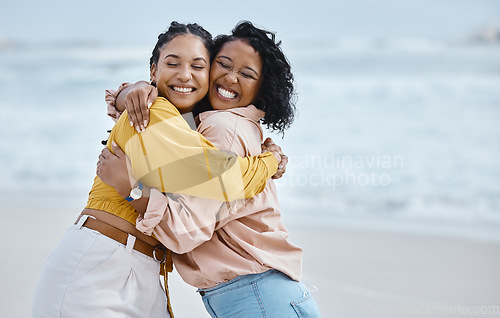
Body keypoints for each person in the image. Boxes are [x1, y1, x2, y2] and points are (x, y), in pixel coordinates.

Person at [31, 22, 284, 318]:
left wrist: (126, 93)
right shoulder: (154, 112)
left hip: (145, 269)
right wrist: (271, 162)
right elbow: (225, 178)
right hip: (98, 263)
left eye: (197, 66)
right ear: (154, 71)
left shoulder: (186, 125)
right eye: (172, 63)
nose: (184, 74)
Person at [99, 21, 322, 317]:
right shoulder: (215, 124)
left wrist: (131, 190)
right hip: (260, 293)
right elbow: (164, 114)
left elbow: (188, 230)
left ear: (261, 87)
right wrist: (131, 92)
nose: (230, 78)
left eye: (247, 74)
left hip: (255, 294)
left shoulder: (222, 127)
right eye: (224, 65)